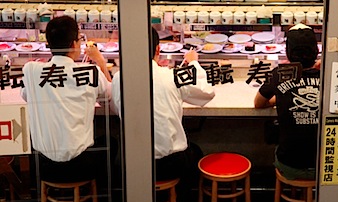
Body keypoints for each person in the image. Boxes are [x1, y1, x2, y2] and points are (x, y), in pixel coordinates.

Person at [111, 27, 215, 182]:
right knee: (196, 152)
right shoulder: (172, 76)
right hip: (170, 164)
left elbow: (115, 108)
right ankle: (181, 201)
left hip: (134, 164)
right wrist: (194, 63)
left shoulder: (119, 77)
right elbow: (207, 92)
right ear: (158, 49)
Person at [21, 16, 112, 183]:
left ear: (49, 44)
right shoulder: (91, 72)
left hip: (44, 166)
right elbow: (111, 95)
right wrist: (100, 62)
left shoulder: (31, 70)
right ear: (73, 44)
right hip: (81, 166)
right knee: (111, 141)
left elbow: (26, 95)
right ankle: (101, 201)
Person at [254, 24, 320, 181]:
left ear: (288, 52)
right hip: (325, 165)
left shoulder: (279, 74)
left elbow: (259, 103)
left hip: (289, 164)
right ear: (316, 52)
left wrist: (285, 95)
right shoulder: (328, 75)